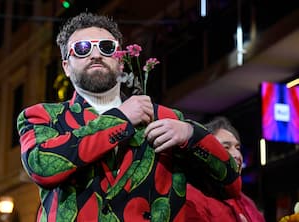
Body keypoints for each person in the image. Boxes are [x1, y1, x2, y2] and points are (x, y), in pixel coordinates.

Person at [17, 12, 242, 221]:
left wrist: (191, 134)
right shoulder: (42, 116)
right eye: (82, 48)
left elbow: (230, 185)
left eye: (106, 47)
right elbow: (42, 167)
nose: (95, 55)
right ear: (66, 66)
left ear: (121, 60)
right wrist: (121, 118)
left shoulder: (165, 119)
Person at [185, 116, 266, 222]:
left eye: (237, 148)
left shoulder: (247, 202)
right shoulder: (191, 197)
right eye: (226, 147)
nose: (237, 154)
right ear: (205, 154)